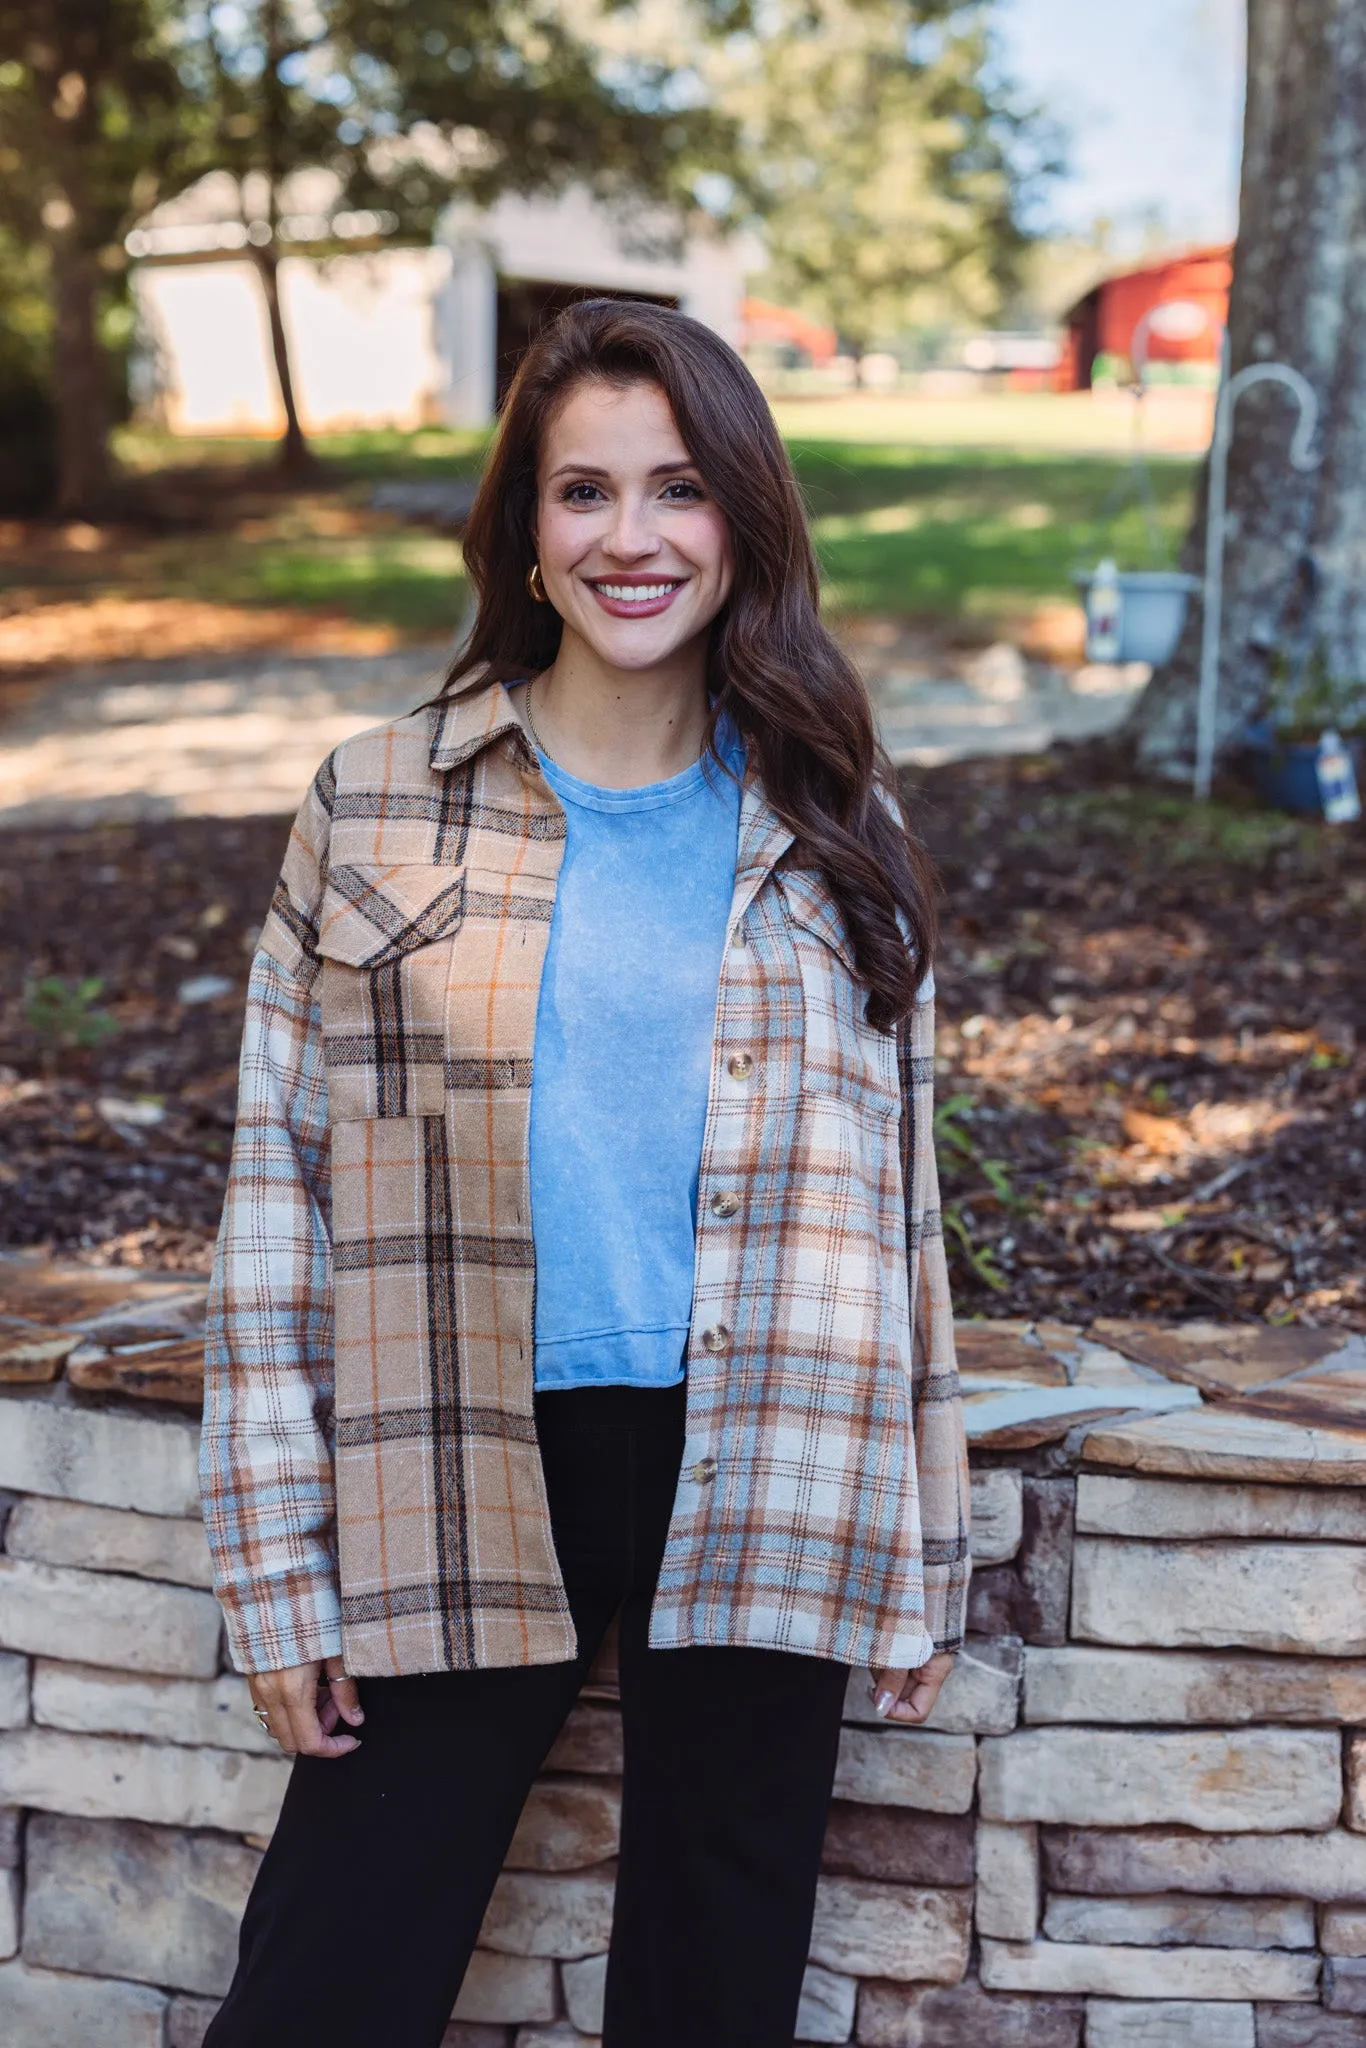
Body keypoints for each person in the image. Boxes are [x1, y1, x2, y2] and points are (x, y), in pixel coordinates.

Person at [200, 298, 970, 2048]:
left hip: (768, 1440)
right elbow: (278, 1201)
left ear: (743, 524)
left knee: (717, 1984)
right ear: (526, 535)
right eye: (583, 494)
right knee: (327, 1973)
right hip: (460, 1446)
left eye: (678, 489)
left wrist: (920, 1540)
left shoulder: (835, 812)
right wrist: (277, 1572)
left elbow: (895, 1204)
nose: (632, 538)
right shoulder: (377, 797)